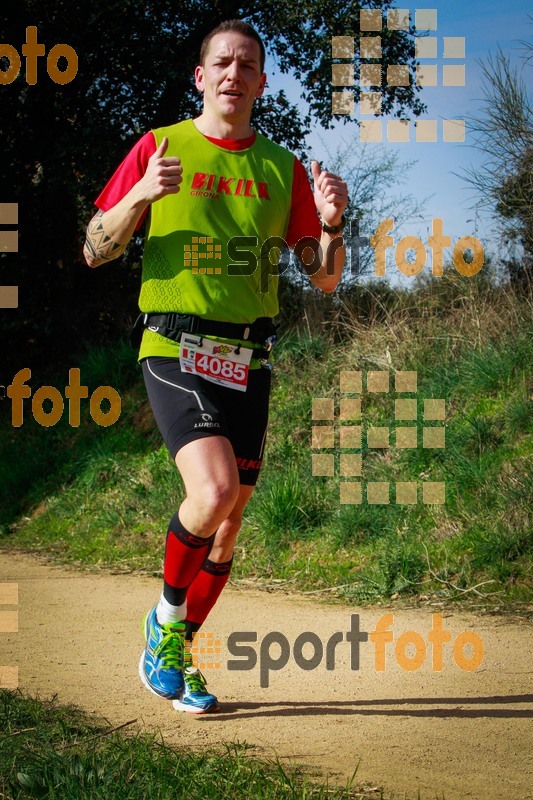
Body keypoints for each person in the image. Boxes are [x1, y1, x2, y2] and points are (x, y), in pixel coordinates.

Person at [83, 19, 348, 713]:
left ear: (262, 81)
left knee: (229, 524)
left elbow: (322, 279)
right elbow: (94, 247)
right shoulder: (159, 146)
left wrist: (330, 225)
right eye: (222, 63)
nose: (235, 74)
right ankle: (165, 628)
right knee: (212, 492)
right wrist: (140, 195)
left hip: (248, 356)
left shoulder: (281, 167)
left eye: (249, 65)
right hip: (175, 347)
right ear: (201, 76)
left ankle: (176, 652)